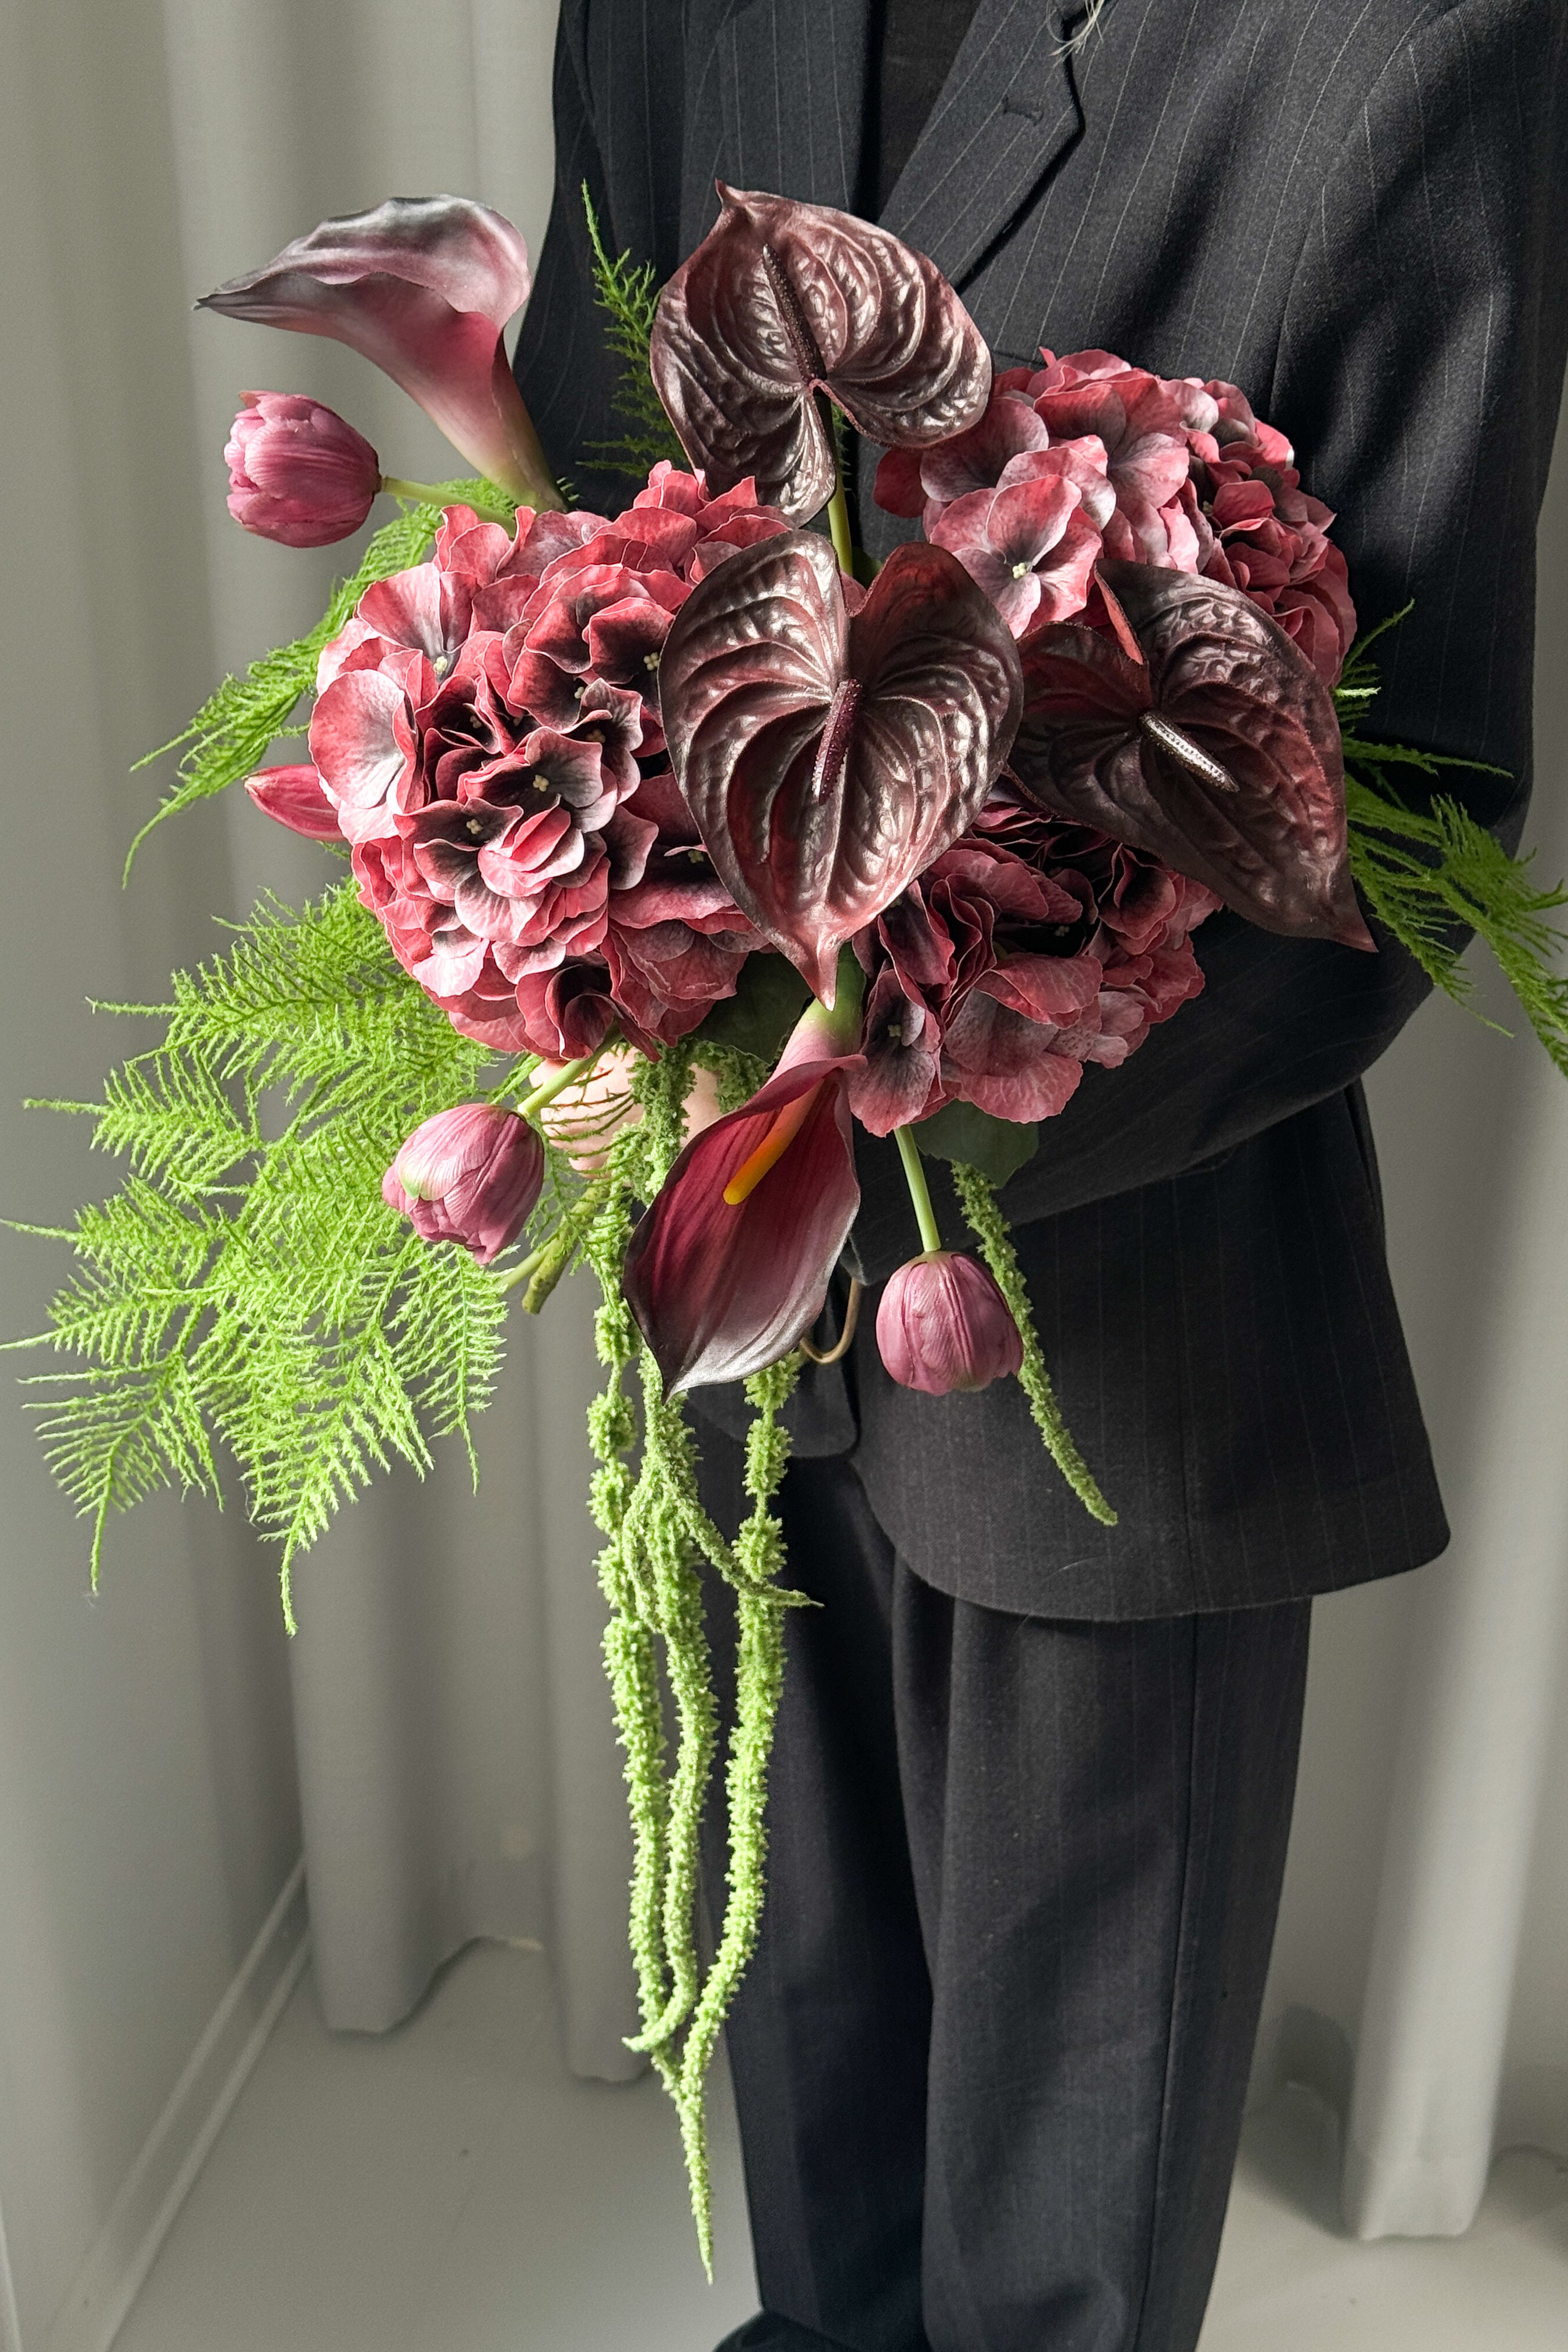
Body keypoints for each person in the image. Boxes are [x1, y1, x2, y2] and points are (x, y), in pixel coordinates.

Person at [514, 4, 1568, 2347]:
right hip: (718, 1262)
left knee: (1067, 2213)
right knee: (801, 2050)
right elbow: (582, 512)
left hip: (1125, 1318)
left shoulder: (1415, 49)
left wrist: (896, 1103)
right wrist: (592, 965)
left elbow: (1409, 810)